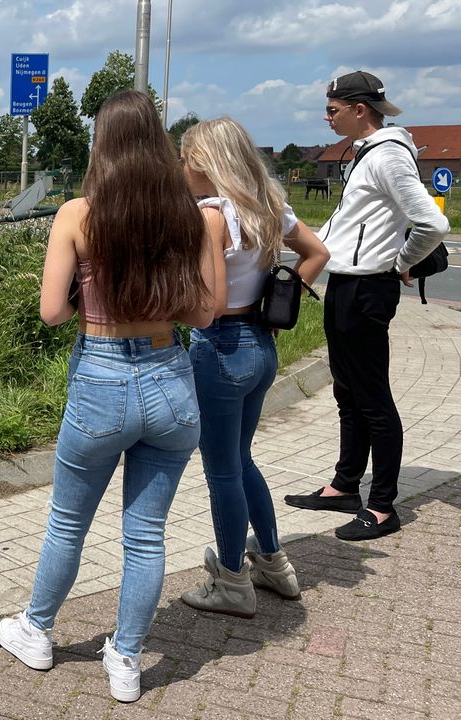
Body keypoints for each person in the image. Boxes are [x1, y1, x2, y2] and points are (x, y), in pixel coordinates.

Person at [0, 89, 221, 703]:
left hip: (101, 375)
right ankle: (125, 659)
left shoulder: (78, 215)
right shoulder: (193, 217)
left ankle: (37, 631)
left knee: (68, 523)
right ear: (157, 141)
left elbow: (48, 313)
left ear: (103, 143)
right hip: (171, 378)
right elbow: (205, 314)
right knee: (146, 533)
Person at [283, 71, 449, 541]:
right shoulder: (368, 154)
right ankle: (344, 485)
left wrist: (400, 264)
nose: (326, 116)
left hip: (368, 289)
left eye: (332, 109)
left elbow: (432, 225)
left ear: (360, 109)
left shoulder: (389, 155)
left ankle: (382, 506)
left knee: (372, 397)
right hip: (346, 285)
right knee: (346, 391)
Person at [176, 117, 330, 618]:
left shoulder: (211, 215)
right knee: (242, 460)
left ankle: (231, 581)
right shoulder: (267, 204)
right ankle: (272, 561)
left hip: (219, 348)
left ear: (204, 164)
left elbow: (208, 304)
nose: (181, 169)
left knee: (221, 470)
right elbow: (317, 252)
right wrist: (280, 302)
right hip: (262, 344)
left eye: (185, 160)